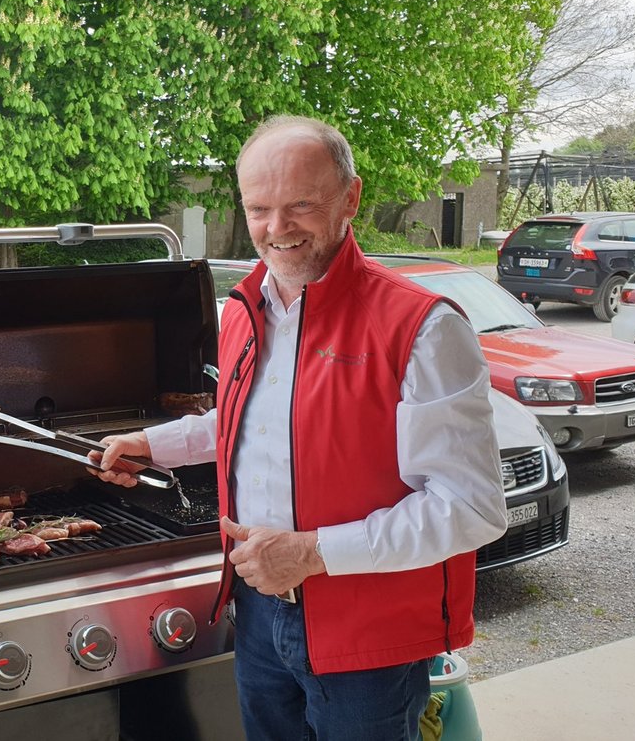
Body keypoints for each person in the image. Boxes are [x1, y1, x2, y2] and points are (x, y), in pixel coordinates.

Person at [92, 115, 508, 741]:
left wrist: (312, 554)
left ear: (351, 198)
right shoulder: (245, 307)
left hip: (369, 632)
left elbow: (470, 508)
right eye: (258, 208)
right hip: (259, 611)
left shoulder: (421, 326)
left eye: (301, 205)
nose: (276, 229)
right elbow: (246, 422)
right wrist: (152, 445)